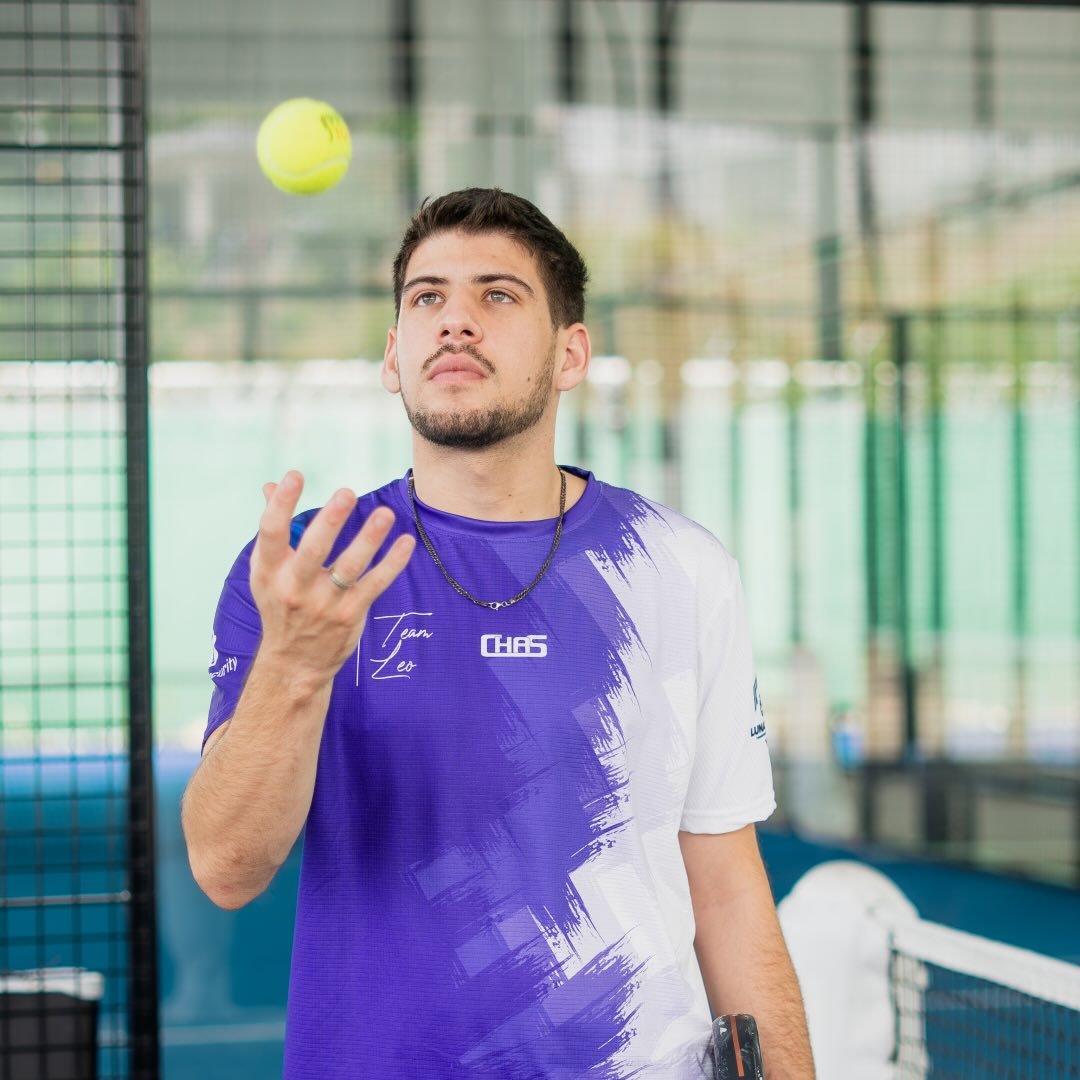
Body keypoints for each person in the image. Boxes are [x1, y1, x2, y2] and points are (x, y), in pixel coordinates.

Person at [182, 188, 815, 1079]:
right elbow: (226, 868)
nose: (456, 321)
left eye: (498, 295)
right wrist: (295, 666)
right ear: (394, 355)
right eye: (427, 297)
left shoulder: (678, 566)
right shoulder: (305, 574)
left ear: (570, 353)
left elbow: (728, 886)